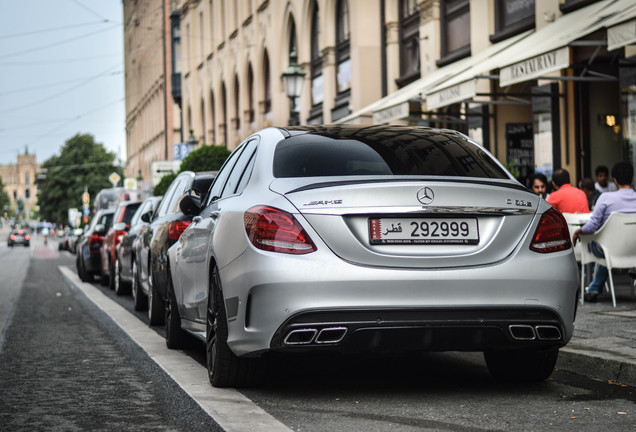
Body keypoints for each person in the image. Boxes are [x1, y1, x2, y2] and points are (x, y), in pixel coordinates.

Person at [573, 162, 636, 302]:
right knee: (605, 244)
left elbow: (592, 226)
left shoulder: (606, 198)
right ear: (632, 179)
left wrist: (579, 231)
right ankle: (595, 287)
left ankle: (594, 289)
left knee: (598, 244)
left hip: (608, 250)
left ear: (614, 180)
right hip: (633, 249)